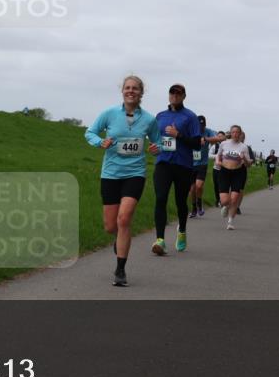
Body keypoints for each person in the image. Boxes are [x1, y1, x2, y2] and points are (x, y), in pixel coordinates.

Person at [85, 76, 160, 287]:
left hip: (135, 173)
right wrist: (101, 142)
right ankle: (119, 240)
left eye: (135, 88)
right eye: (127, 88)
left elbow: (159, 141)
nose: (131, 91)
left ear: (141, 93)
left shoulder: (149, 119)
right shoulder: (109, 114)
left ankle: (120, 270)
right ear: (122, 91)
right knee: (111, 226)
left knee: (124, 218)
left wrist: (157, 148)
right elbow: (89, 132)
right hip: (110, 174)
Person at [150, 84, 202, 254]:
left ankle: (181, 231)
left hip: (183, 165)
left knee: (180, 202)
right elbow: (155, 139)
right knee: (161, 198)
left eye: (178, 93)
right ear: (169, 95)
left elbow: (196, 144)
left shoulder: (190, 117)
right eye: (172, 93)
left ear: (184, 96)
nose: (174, 96)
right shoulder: (160, 116)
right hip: (163, 163)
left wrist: (178, 135)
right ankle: (160, 239)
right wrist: (154, 147)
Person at [216, 125, 253, 230]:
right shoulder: (224, 144)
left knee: (235, 198)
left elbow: (248, 164)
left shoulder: (243, 147)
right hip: (224, 172)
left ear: (240, 134)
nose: (235, 134)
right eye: (233, 132)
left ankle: (230, 221)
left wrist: (244, 158)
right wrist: (218, 162)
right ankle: (225, 206)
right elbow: (218, 155)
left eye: (237, 132)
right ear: (230, 133)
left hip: (238, 172)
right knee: (224, 200)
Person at [189, 115, 223, 218]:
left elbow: (217, 138)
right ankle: (194, 208)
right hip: (190, 163)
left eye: (202, 125)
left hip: (202, 164)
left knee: (199, 186)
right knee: (192, 189)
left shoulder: (207, 131)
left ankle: (199, 204)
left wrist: (205, 138)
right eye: (199, 125)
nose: (201, 127)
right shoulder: (191, 131)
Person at [212, 131, 228, 206]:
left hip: (225, 168)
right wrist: (217, 156)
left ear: (224, 137)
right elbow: (209, 155)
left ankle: (223, 200)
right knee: (216, 185)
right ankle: (217, 200)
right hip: (216, 168)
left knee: (222, 185)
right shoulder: (215, 146)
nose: (220, 138)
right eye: (218, 136)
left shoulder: (227, 145)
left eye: (221, 136)